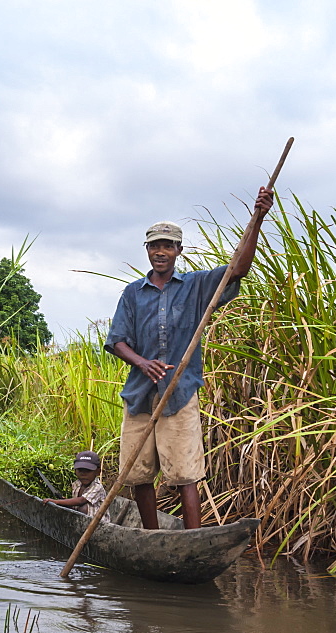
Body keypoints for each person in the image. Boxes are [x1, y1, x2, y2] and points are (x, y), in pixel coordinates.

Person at [103, 187, 274, 530]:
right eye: (155, 246)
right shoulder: (133, 293)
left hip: (179, 393)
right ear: (148, 251)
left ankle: (194, 539)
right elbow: (117, 341)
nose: (161, 252)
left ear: (179, 251)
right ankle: (151, 538)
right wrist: (142, 362)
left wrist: (257, 219)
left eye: (168, 245)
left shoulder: (196, 285)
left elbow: (238, 268)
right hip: (140, 395)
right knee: (137, 474)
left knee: (184, 472)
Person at [43, 451, 110, 522]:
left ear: (98, 472)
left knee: (83, 508)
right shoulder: (76, 484)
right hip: (80, 521)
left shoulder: (97, 487)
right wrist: (65, 501)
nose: (83, 474)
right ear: (75, 471)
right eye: (80, 470)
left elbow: (81, 501)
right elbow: (76, 505)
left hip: (97, 524)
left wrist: (56, 502)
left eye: (88, 471)